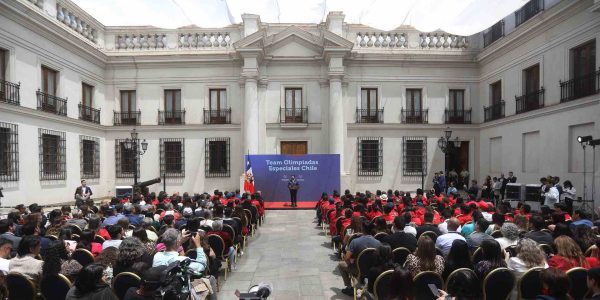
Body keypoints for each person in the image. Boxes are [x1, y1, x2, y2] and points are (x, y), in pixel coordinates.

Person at [338, 231, 382, 296]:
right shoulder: (379, 243)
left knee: (340, 265)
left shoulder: (355, 241)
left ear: (362, 229)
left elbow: (347, 258)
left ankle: (349, 288)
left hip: (358, 270)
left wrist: (350, 262)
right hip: (373, 270)